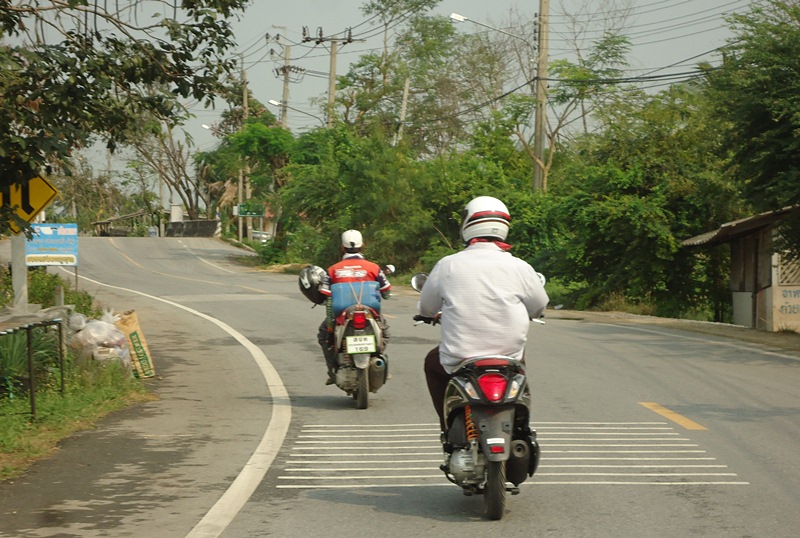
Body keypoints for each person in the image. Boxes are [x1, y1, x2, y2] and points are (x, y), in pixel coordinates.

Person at [417, 196, 549, 430]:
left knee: (432, 363)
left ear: (468, 224)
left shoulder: (448, 265)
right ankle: (521, 424)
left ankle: (447, 427)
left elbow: (427, 307)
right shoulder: (520, 267)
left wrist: (430, 315)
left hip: (460, 358)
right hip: (509, 356)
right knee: (520, 369)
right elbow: (539, 306)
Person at [317, 229, 392, 385]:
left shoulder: (333, 269)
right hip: (369, 313)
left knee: (324, 335)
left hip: (342, 315)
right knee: (385, 332)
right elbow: (386, 290)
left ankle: (332, 371)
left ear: (342, 248)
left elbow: (324, 292)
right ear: (362, 246)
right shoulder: (373, 267)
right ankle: (379, 358)